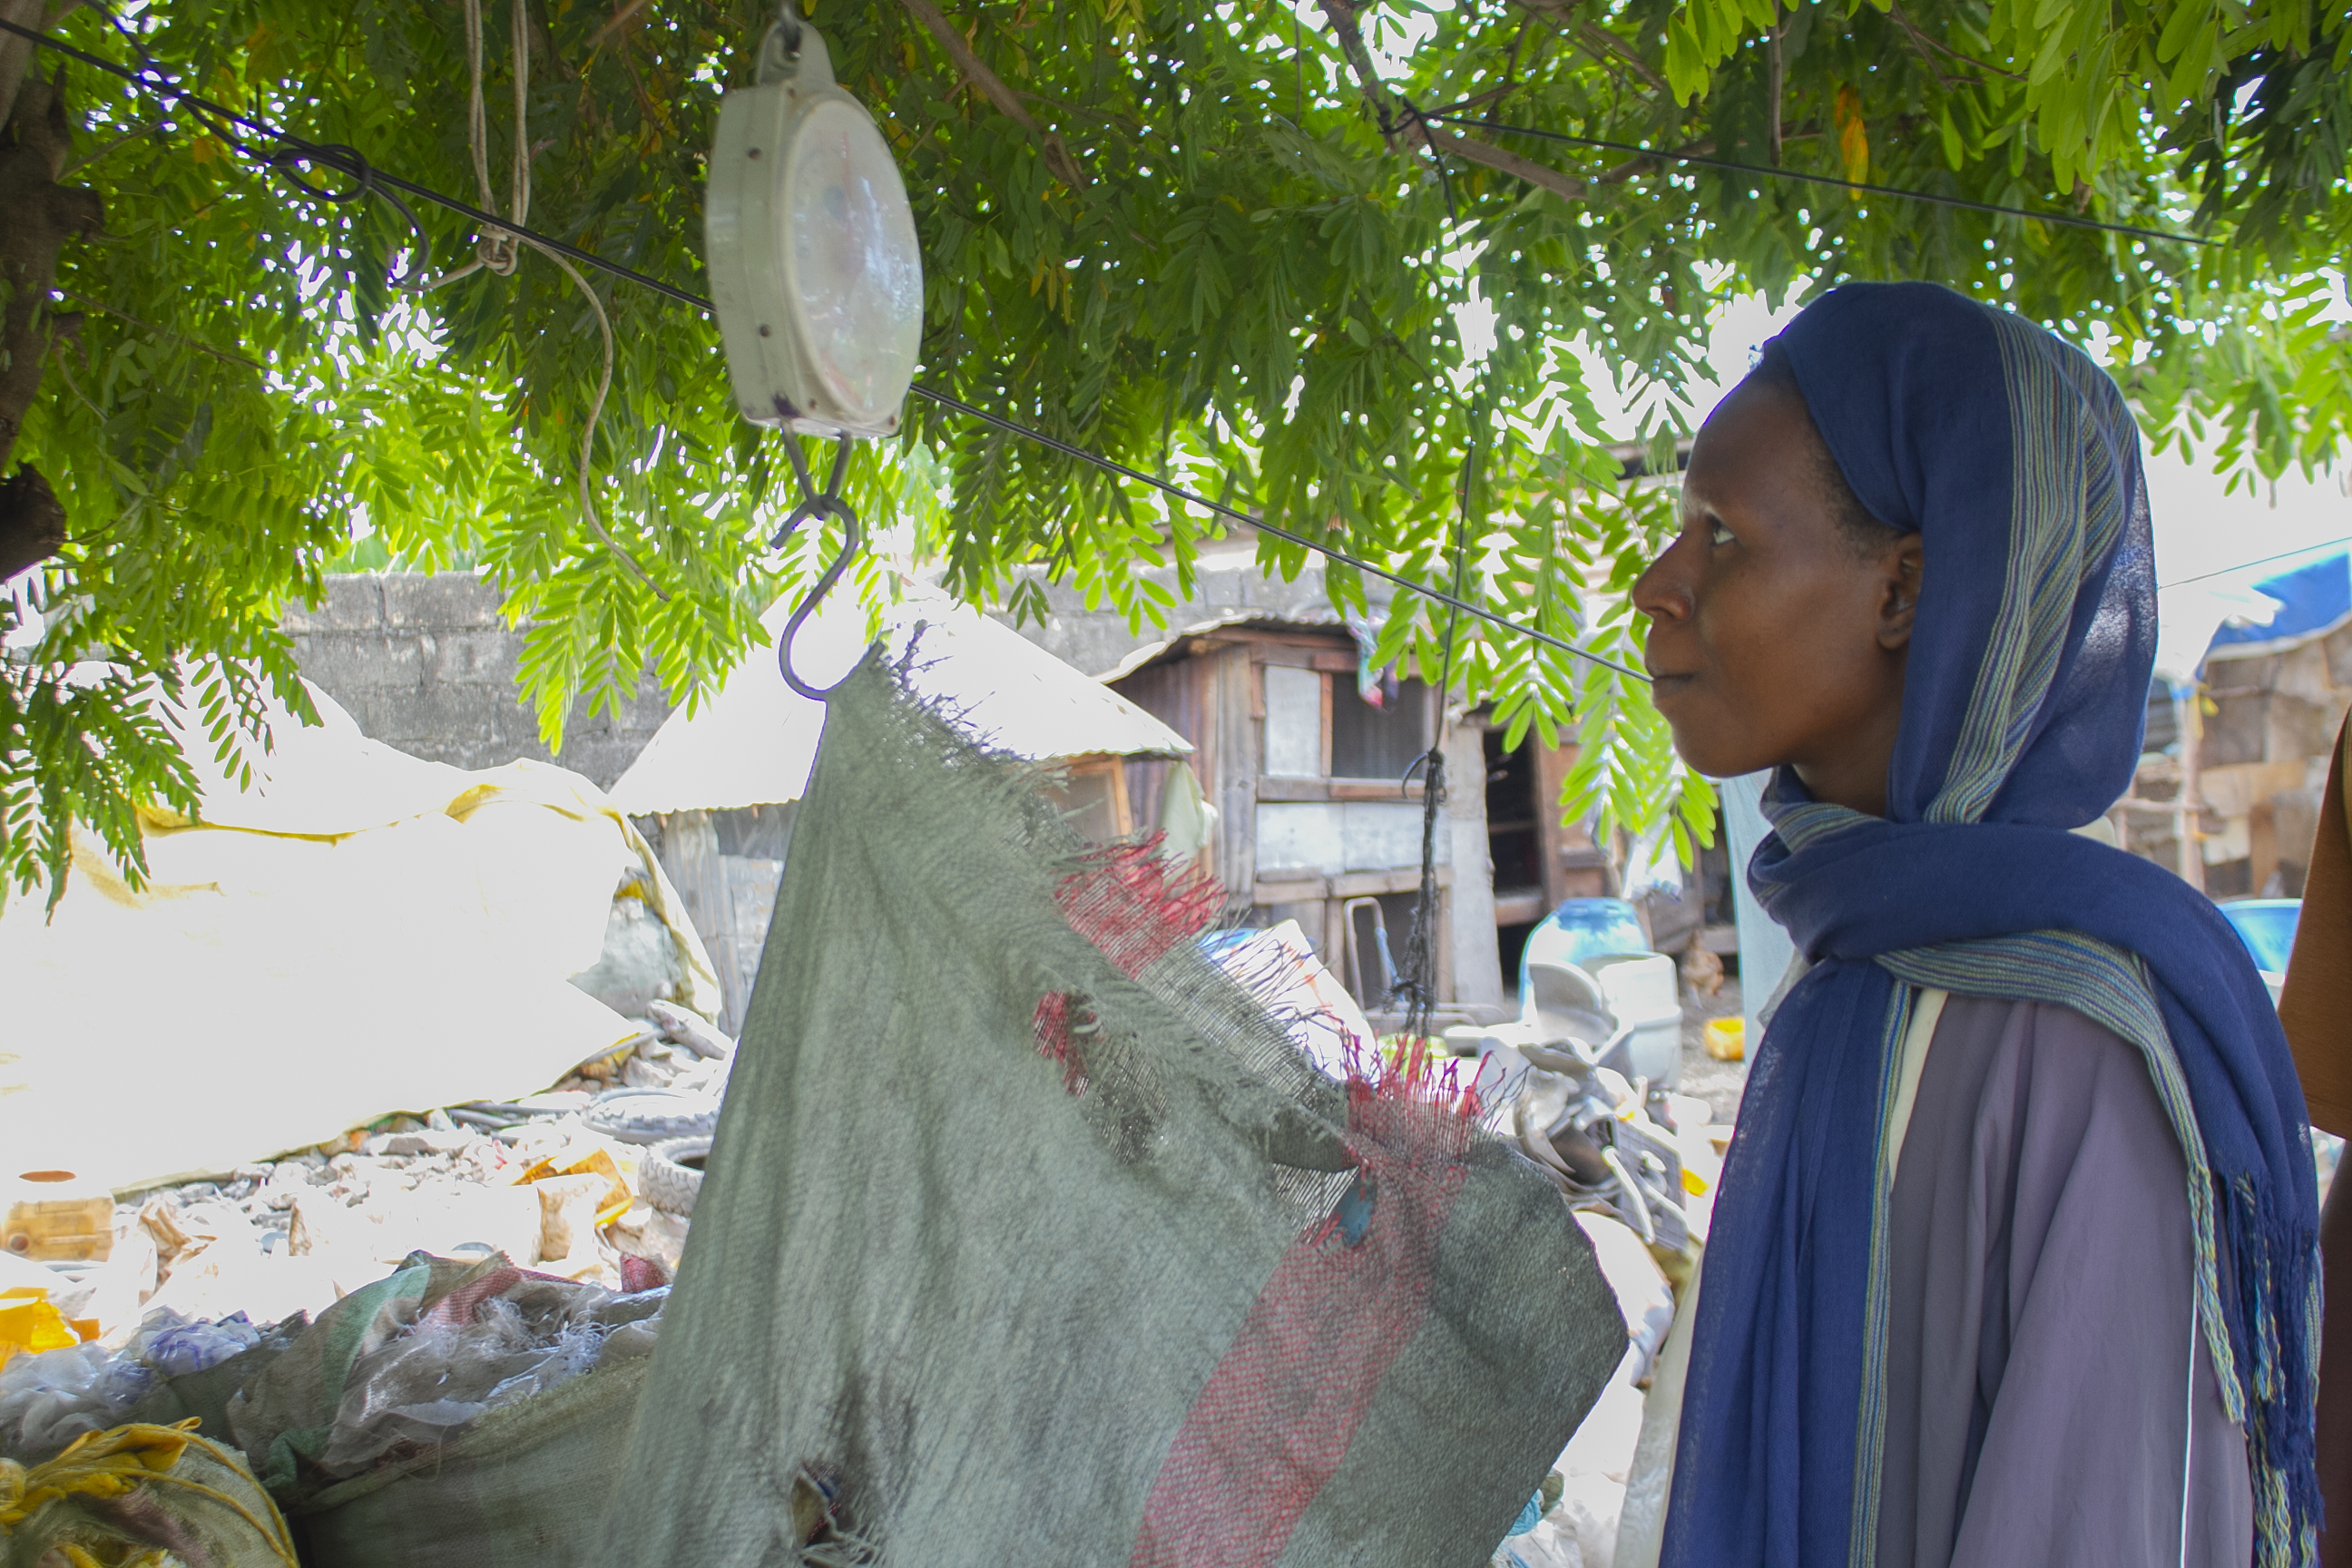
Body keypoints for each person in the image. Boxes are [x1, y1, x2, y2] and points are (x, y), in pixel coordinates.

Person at [1619, 281, 2318, 1568]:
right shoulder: (1861, 966)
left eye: (1720, 535)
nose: (1655, 586)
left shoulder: (2083, 1045)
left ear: (1904, 592)